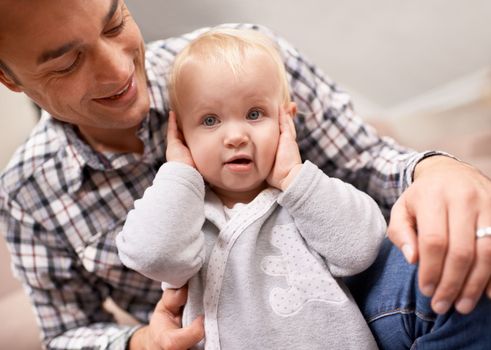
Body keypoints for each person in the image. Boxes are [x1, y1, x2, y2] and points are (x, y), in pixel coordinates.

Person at [0, 0, 489, 349]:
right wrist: (141, 343)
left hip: (347, 310)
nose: (118, 70)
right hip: (218, 336)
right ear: (10, 77)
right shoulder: (28, 193)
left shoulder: (246, 60)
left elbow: (366, 167)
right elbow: (67, 332)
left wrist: (438, 167)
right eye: (67, 63)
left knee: (465, 274)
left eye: (115, 24)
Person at [116, 28, 387, 349]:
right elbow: (152, 255)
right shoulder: (184, 219)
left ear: (286, 121)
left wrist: (293, 177)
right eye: (210, 120)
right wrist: (179, 171)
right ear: (181, 135)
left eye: (254, 114)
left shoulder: (308, 197)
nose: (235, 136)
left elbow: (360, 250)